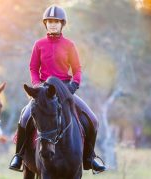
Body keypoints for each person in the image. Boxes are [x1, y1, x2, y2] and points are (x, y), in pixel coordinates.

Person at [9, 5, 106, 173]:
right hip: (43, 92)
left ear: (62, 24)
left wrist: (74, 85)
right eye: (49, 22)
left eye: (56, 22)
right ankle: (19, 155)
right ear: (45, 24)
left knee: (93, 120)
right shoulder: (39, 44)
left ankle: (90, 157)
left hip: (65, 91)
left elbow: (77, 69)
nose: (53, 24)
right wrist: (38, 85)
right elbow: (33, 68)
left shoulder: (69, 45)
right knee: (24, 117)